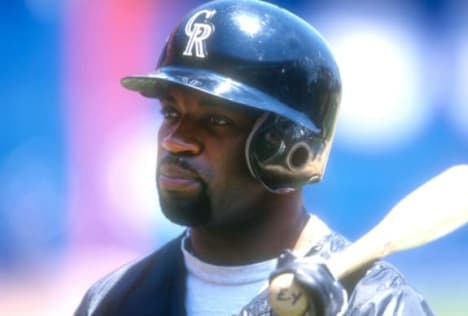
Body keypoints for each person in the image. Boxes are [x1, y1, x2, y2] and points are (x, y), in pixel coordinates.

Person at [75, 0, 434, 315]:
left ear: (288, 148)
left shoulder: (376, 305)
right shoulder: (114, 302)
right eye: (170, 113)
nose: (175, 140)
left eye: (216, 121)